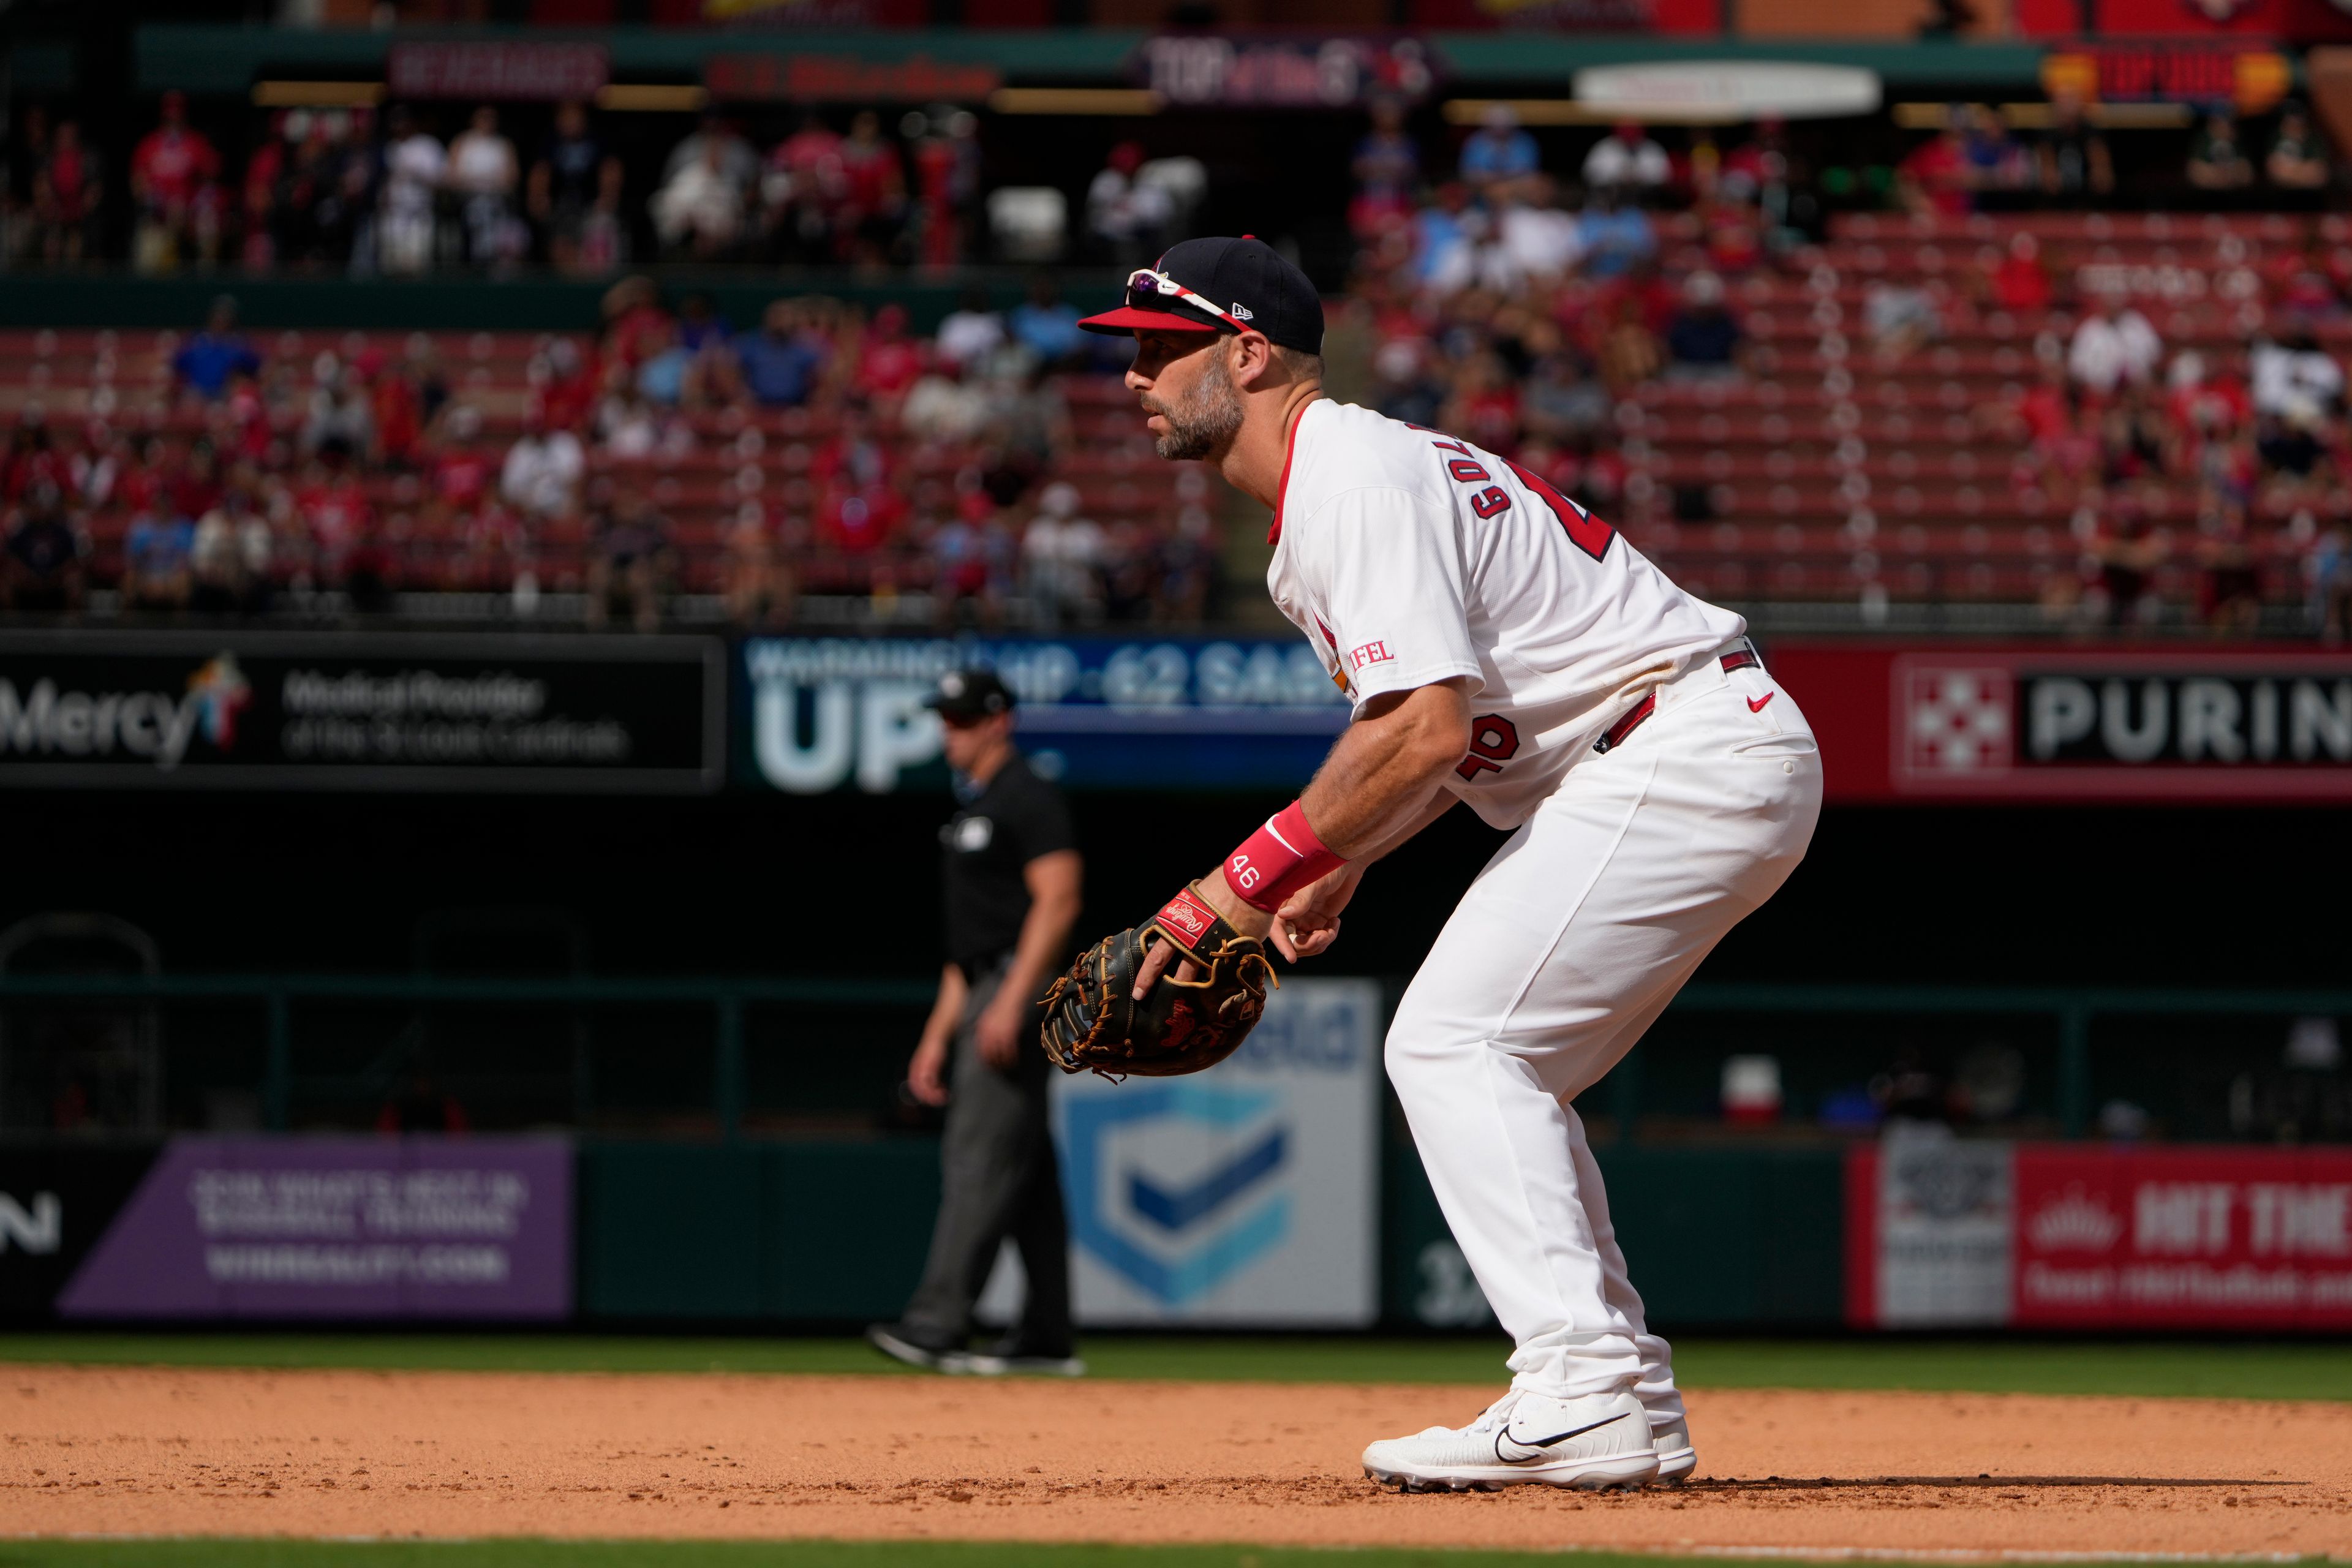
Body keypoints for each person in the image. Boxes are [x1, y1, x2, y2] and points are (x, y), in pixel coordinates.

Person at [1075, 237, 1819, 1489]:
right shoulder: (1349, 478)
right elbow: (1443, 726)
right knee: (1503, 1063)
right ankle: (1615, 1391)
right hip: (1676, 751)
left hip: (1673, 747)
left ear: (1247, 352)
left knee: (1455, 1045)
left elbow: (1419, 726)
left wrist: (1229, 890)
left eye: (1160, 347)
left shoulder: (1346, 476)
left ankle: (1582, 1387)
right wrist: (1345, 858)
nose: (1134, 376)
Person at [868, 668, 1085, 1378]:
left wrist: (1013, 1000)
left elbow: (1059, 900)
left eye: (961, 718)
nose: (948, 730)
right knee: (1026, 1167)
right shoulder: (973, 808)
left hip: (1015, 984)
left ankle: (938, 1322)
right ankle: (1048, 1333)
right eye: (945, 718)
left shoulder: (1028, 794)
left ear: (999, 720)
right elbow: (967, 949)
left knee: (978, 1157)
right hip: (984, 979)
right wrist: (935, 1036)